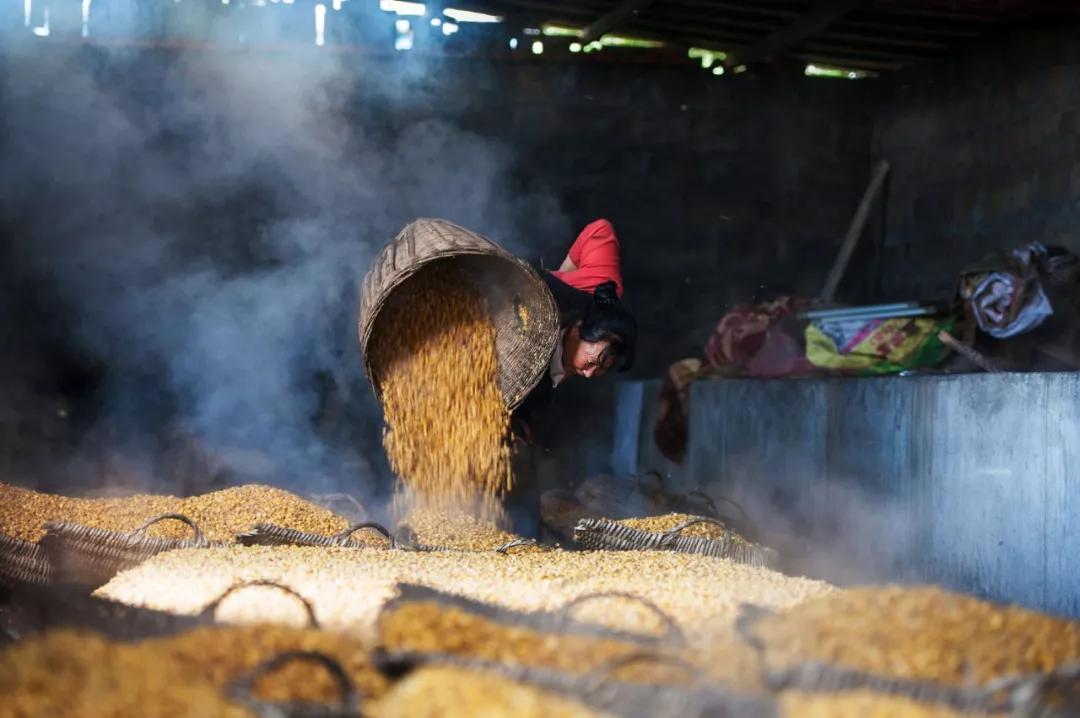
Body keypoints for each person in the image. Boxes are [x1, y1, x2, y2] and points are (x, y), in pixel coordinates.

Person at [507, 219, 637, 538]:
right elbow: (600, 229)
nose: (590, 373)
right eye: (597, 359)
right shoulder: (600, 293)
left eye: (602, 370)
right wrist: (563, 278)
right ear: (580, 328)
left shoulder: (540, 382)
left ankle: (521, 535)